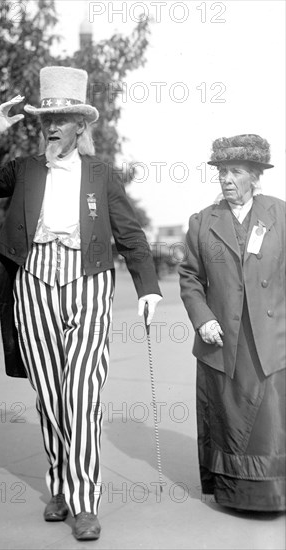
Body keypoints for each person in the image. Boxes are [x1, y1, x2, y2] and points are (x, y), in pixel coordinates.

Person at [0, 66, 162, 540]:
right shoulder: (24, 169)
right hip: (33, 283)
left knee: (82, 395)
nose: (51, 125)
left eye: (62, 117)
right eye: (46, 117)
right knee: (51, 396)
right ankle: (62, 486)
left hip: (88, 284)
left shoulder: (101, 174)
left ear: (80, 125)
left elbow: (131, 236)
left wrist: (148, 287)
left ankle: (84, 503)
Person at [179, 134, 285, 512]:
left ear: (255, 177)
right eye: (222, 172)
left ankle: (272, 496)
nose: (226, 179)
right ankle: (232, 495)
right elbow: (190, 277)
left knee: (269, 422)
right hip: (221, 340)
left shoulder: (281, 215)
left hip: (270, 342)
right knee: (228, 419)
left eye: (235, 171)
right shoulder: (203, 222)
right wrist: (202, 318)